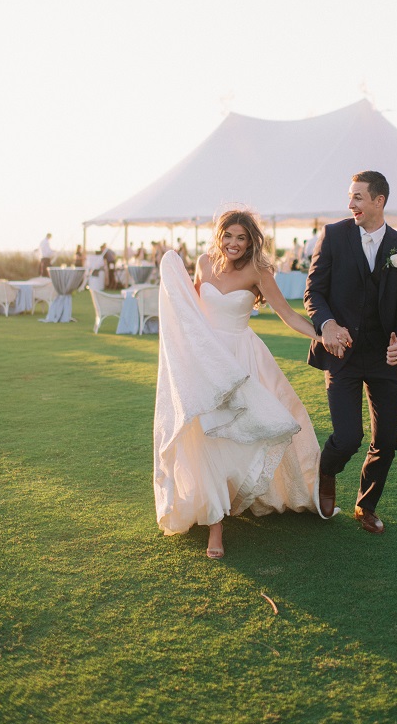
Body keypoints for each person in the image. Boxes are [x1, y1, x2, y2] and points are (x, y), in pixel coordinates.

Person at [153, 209, 328, 560]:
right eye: (228, 236)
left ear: (251, 241)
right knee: (206, 436)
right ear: (219, 236)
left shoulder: (259, 271)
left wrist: (322, 335)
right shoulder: (203, 263)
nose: (233, 243)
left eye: (241, 237)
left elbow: (288, 313)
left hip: (242, 358)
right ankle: (215, 525)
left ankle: (235, 495)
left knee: (244, 432)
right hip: (206, 361)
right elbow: (191, 310)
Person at [304, 170, 397, 535]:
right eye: (350, 196)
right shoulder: (334, 236)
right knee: (348, 436)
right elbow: (313, 292)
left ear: (378, 201)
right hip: (342, 354)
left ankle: (365, 505)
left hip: (385, 358)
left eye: (357, 197)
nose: (350, 203)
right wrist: (327, 326)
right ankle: (327, 471)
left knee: (386, 441)